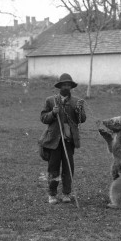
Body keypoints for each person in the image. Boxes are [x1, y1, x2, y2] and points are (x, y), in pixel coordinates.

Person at [40, 73, 86, 204]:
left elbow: (82, 119)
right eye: (64, 84)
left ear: (71, 87)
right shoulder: (50, 100)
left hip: (69, 140)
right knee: (53, 168)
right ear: (59, 86)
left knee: (68, 168)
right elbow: (43, 118)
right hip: (54, 140)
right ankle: (52, 194)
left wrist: (79, 111)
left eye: (68, 85)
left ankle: (66, 193)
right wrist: (52, 113)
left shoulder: (77, 101)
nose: (66, 87)